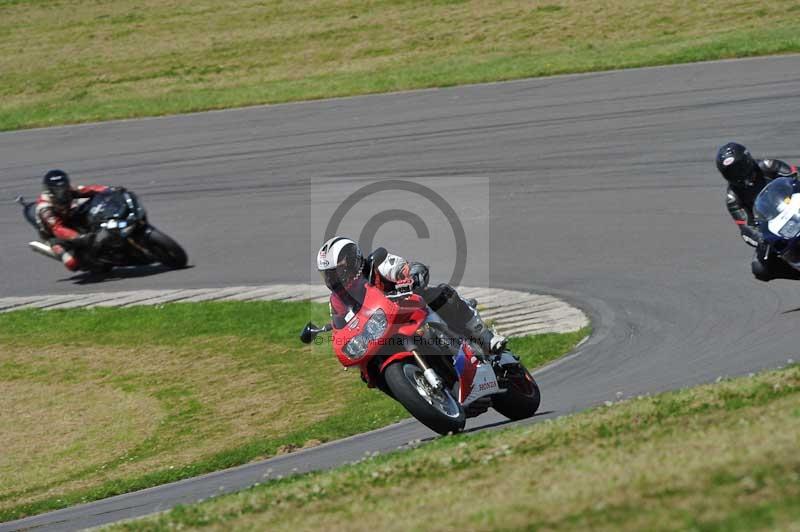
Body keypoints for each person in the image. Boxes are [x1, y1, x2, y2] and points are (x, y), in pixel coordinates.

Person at [316, 236, 507, 354]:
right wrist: (335, 333)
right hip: (384, 330)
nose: (333, 279)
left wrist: (412, 275)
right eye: (328, 275)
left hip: (410, 306)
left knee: (442, 294)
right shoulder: (338, 301)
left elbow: (403, 268)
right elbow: (340, 325)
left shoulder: (378, 263)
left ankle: (486, 337)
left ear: (352, 261)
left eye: (336, 272)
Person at [715, 142, 799, 281]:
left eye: (739, 168)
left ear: (747, 160)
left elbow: (796, 174)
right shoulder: (732, 198)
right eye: (731, 172)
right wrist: (762, 238)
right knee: (759, 267)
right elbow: (745, 227)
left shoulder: (768, 166)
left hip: (795, 206)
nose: (737, 174)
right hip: (774, 228)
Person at [35, 169, 110, 271]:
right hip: (54, 234)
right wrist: (79, 237)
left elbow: (89, 189)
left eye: (63, 187)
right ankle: (66, 252)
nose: (61, 191)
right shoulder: (45, 208)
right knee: (72, 264)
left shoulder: (69, 191)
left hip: (70, 220)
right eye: (57, 189)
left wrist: (109, 190)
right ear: (49, 190)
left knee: (90, 204)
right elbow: (57, 228)